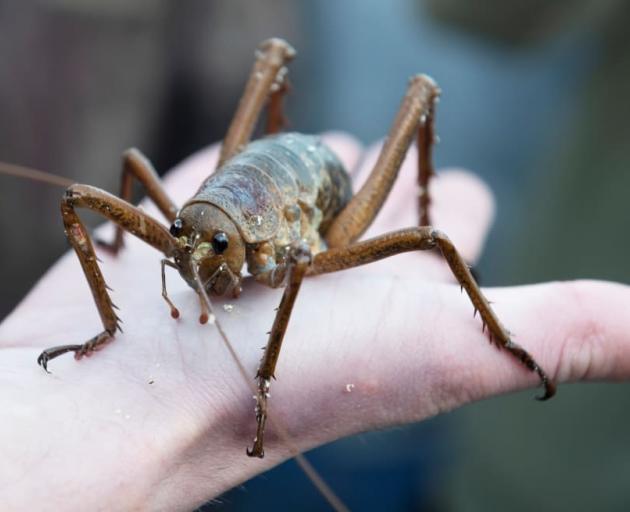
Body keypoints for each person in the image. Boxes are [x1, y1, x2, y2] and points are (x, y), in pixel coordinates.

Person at [1, 134, 629, 511]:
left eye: (210, 252)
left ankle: (495, 320)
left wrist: (260, 383)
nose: (193, 264)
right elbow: (114, 181)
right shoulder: (193, 233)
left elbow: (302, 263)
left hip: (317, 196)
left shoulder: (297, 255)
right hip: (240, 184)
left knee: (431, 233)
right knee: (78, 193)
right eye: (181, 246)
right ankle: (109, 326)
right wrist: (115, 323)